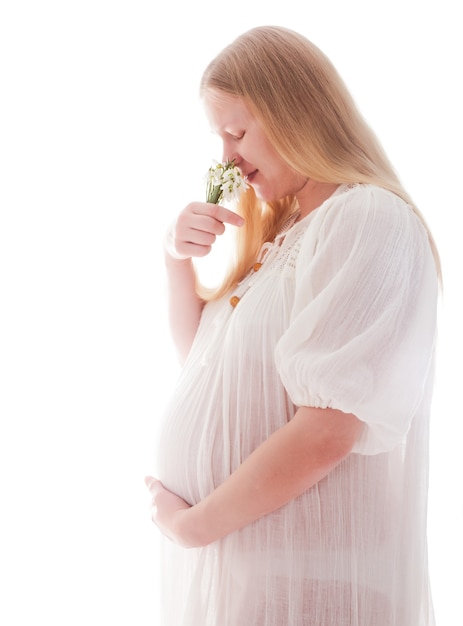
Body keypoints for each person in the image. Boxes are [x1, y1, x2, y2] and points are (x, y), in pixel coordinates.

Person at [145, 25, 440, 626]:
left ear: (295, 110)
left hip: (309, 577)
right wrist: (175, 260)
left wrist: (194, 526)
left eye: (237, 132)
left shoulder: (364, 218)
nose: (226, 158)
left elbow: (327, 430)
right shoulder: (281, 237)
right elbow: (204, 366)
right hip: (267, 570)